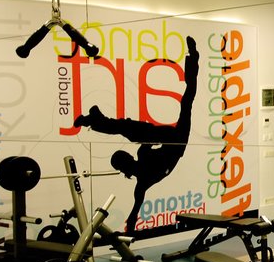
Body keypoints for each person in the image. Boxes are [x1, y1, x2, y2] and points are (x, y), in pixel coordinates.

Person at [74, 36, 199, 233]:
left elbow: (134, 211)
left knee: (129, 128)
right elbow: (134, 210)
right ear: (125, 164)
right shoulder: (142, 170)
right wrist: (130, 226)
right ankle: (193, 58)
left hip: (167, 139)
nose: (128, 157)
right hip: (176, 141)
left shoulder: (141, 169)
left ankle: (97, 120)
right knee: (187, 99)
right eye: (125, 158)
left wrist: (130, 225)